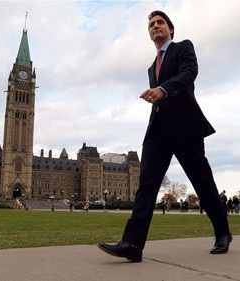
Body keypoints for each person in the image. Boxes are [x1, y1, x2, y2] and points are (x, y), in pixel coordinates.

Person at [98, 10, 231, 262]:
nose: (155, 26)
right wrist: (157, 94)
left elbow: (188, 76)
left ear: (170, 29)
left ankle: (223, 232)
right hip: (157, 132)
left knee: (202, 182)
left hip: (185, 128)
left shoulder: (183, 48)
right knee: (146, 185)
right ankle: (133, 244)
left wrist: (162, 89)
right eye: (151, 24)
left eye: (160, 23)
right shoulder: (151, 66)